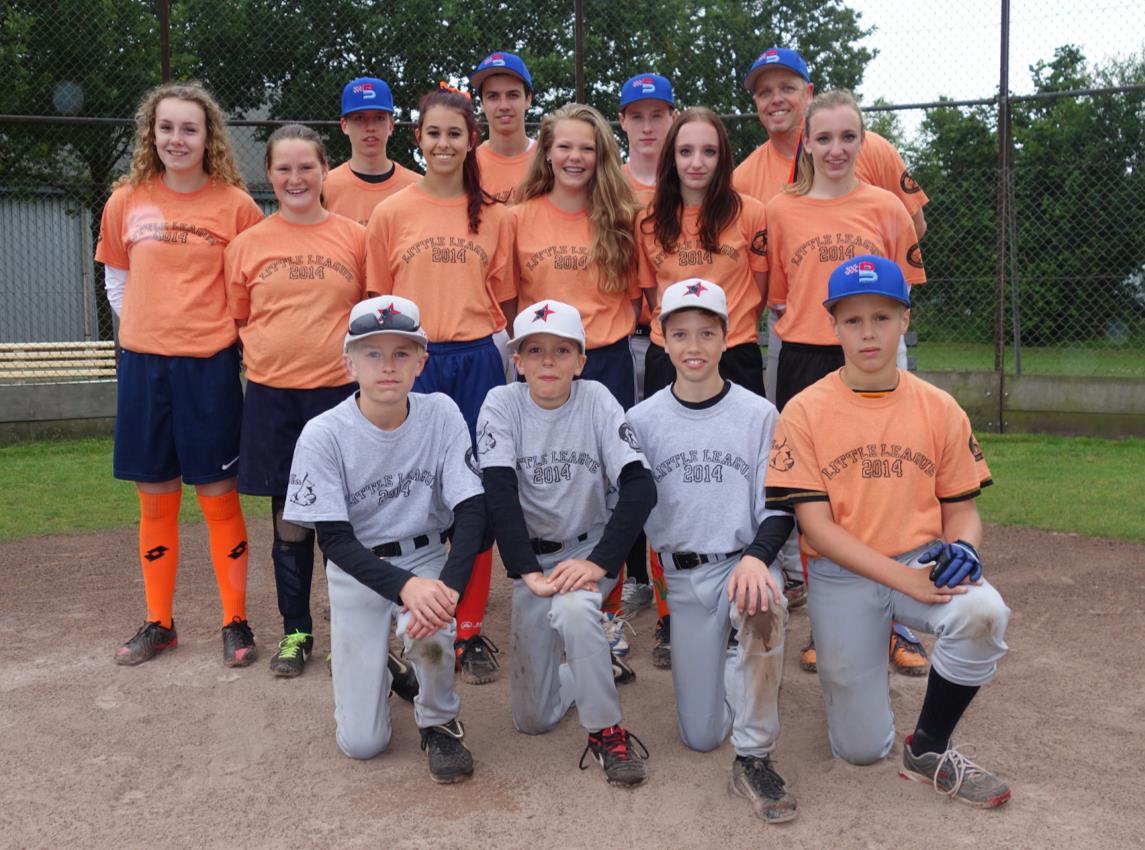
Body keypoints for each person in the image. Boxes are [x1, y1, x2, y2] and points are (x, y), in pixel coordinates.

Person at [765, 255, 1011, 808]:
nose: (868, 332)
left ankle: (927, 747)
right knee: (859, 748)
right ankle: (862, 658)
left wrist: (965, 549)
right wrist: (904, 580)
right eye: (852, 320)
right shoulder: (805, 411)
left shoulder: (938, 407)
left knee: (983, 611)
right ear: (833, 326)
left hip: (923, 558)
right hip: (843, 573)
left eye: (881, 316)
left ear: (904, 319)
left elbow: (963, 509)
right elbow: (816, 528)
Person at [734, 47, 933, 675]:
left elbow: (900, 286)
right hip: (804, 352)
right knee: (813, 484)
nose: (837, 148)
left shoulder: (885, 207)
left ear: (861, 139)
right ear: (808, 144)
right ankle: (827, 621)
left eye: (849, 135)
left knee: (884, 479)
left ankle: (897, 621)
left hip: (875, 354)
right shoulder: (782, 210)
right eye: (825, 137)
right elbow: (780, 294)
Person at [283, 294, 484, 783]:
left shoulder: (441, 414)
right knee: (364, 744)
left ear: (421, 362)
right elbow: (333, 540)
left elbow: (473, 509)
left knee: (433, 627)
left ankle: (438, 721)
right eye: (372, 353)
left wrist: (447, 589)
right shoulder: (323, 432)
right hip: (358, 571)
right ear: (348, 362)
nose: (387, 366)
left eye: (401, 353)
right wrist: (404, 587)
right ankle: (391, 671)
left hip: (426, 554)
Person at [97, 81, 262, 668]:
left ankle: (234, 621)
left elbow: (245, 287)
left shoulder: (236, 205)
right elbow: (117, 278)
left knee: (217, 496)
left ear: (208, 136)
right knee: (156, 497)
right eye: (166, 127)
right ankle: (160, 623)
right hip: (144, 365)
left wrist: (196, 329)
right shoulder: (126, 199)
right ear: (152, 134)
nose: (177, 138)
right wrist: (150, 325)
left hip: (209, 367)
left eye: (189, 128)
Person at [627, 279, 796, 823]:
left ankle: (755, 753)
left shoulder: (758, 414)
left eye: (706, 332)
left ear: (728, 337)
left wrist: (758, 558)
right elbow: (627, 506)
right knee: (700, 735)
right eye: (680, 334)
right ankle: (735, 662)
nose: (693, 346)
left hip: (741, 563)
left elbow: (779, 505)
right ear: (663, 340)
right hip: (682, 577)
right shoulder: (642, 420)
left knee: (763, 605)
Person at [365, 84, 515, 685]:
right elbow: (379, 301)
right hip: (415, 363)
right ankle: (418, 612)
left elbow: (504, 301)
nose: (444, 142)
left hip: (477, 360)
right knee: (416, 490)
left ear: (471, 139)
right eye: (433, 133)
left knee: (472, 495)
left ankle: (470, 627)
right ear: (418, 138)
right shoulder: (391, 212)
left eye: (455, 132)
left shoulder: (497, 216)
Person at [477, 299, 656, 786]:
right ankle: (593, 664)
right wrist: (525, 570)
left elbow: (641, 486)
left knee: (577, 612)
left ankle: (607, 732)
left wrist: (600, 564)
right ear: (517, 361)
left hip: (587, 550)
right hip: (533, 559)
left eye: (562, 350)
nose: (548, 361)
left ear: (581, 360)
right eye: (534, 350)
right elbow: (498, 491)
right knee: (532, 721)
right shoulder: (501, 403)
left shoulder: (596, 398)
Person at [224, 124, 366, 678]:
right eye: (283, 168)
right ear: (269, 174)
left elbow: (367, 317)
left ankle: (350, 633)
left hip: (336, 396)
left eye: (306, 166)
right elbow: (241, 320)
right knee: (289, 519)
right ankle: (296, 632)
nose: (295, 177)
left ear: (324, 170)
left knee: (342, 519)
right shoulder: (248, 245)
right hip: (272, 396)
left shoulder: (354, 237)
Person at [511, 103, 642, 410]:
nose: (575, 157)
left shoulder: (623, 219)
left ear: (600, 157)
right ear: (546, 152)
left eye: (587, 148)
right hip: (541, 361)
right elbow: (508, 299)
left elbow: (634, 300)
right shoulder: (516, 219)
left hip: (607, 361)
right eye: (564, 146)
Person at [609, 72, 678, 630]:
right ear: (624, 121)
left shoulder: (688, 177)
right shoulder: (610, 181)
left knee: (660, 456)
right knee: (621, 457)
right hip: (617, 337)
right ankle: (632, 575)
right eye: (638, 115)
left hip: (664, 339)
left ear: (671, 119)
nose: (648, 124)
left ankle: (663, 579)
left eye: (658, 114)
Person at [324, 76, 421, 226]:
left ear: (391, 125)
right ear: (344, 125)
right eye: (360, 118)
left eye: (379, 118)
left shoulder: (417, 186)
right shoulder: (324, 187)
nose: (370, 127)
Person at [470, 51, 535, 203]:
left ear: (528, 99)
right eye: (493, 96)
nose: (504, 106)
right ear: (482, 104)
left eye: (513, 95)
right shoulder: (468, 166)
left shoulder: (549, 161)